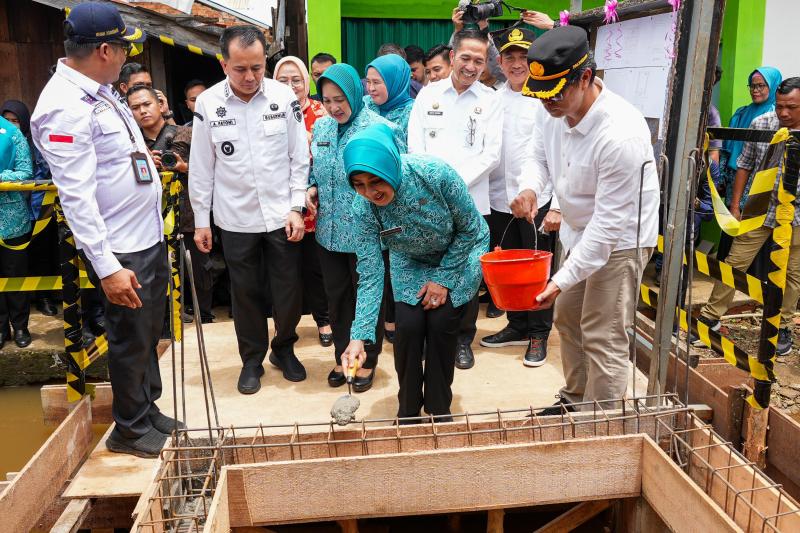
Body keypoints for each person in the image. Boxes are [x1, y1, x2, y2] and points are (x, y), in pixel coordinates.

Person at [31, 1, 181, 457]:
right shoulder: (63, 108)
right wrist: (108, 267)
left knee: (148, 331)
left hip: (145, 235)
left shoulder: (99, 90)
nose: (124, 55)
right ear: (102, 49)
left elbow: (116, 161)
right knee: (129, 337)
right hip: (120, 248)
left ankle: (148, 409)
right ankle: (130, 428)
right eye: (121, 47)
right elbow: (76, 197)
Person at [510, 26, 659, 414]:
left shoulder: (620, 135)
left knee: (603, 333)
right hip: (578, 231)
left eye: (556, 93)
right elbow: (537, 156)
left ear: (586, 77)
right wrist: (530, 188)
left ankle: (601, 422)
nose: (547, 104)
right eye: (540, 96)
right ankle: (576, 399)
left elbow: (608, 227)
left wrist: (558, 280)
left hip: (621, 239)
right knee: (569, 320)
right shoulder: (552, 108)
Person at [340, 124, 489, 422]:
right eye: (359, 184)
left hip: (459, 250)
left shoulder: (433, 173)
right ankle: (408, 410)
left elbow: (471, 229)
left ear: (390, 166)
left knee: (442, 321)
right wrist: (358, 338)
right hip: (411, 259)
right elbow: (370, 274)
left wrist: (443, 279)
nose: (370, 192)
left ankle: (438, 408)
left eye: (375, 180)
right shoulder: (363, 209)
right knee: (406, 328)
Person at [190, 25, 310, 393]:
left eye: (257, 68)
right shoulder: (209, 104)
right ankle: (252, 359)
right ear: (224, 64)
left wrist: (296, 206)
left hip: (281, 215)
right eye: (240, 69)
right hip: (235, 217)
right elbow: (201, 167)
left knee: (288, 291)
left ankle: (284, 347)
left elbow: (299, 157)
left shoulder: (282, 97)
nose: (249, 77)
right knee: (245, 294)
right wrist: (201, 221)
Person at [305, 63, 404, 393]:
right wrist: (310, 187)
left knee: (368, 298)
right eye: (327, 100)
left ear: (354, 93)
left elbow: (397, 179)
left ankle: (367, 359)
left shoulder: (380, 128)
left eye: (340, 99)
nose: (334, 107)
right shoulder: (321, 128)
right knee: (337, 298)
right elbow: (315, 170)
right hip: (329, 232)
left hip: (367, 234)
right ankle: (342, 356)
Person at [408, 28, 502, 370]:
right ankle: (429, 339)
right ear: (452, 58)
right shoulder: (428, 95)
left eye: (479, 60)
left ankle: (463, 339)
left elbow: (491, 154)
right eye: (465, 58)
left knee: (466, 276)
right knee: (428, 270)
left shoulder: (491, 100)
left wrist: (453, 186)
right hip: (429, 204)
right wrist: (434, 186)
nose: (471, 66)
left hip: (471, 205)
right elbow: (415, 147)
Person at [698, 78, 800, 356]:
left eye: (791, 107)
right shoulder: (762, 124)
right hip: (760, 207)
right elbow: (744, 166)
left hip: (797, 216)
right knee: (734, 262)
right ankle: (710, 316)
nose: (784, 113)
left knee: (792, 273)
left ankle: (782, 325)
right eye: (780, 106)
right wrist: (735, 205)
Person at [478, 27, 558, 367]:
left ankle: (538, 334)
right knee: (509, 268)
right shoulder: (493, 98)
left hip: (537, 201)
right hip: (498, 198)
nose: (516, 64)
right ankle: (516, 324)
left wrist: (557, 205)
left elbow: (552, 155)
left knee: (537, 270)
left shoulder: (546, 98)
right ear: (500, 62)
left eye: (523, 57)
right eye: (509, 57)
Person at [126, 85, 213, 324]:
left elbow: (210, 170)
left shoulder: (184, 133)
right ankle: (166, 319)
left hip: (187, 213)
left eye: (147, 104)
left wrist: (183, 167)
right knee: (157, 274)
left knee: (198, 270)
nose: (143, 111)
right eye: (135, 107)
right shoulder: (130, 143)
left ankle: (204, 316)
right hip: (148, 220)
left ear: (160, 105)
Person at [273, 55, 333, 347]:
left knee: (316, 269)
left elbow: (329, 158)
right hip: (278, 205)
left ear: (306, 81)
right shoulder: (268, 113)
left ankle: (324, 321)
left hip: (315, 206)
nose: (290, 85)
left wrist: (315, 186)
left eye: (296, 79)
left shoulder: (323, 113)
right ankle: (284, 328)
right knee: (283, 273)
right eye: (283, 80)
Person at [717, 66, 783, 269]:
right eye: (752, 86)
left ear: (773, 87)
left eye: (761, 86)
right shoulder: (742, 113)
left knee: (754, 228)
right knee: (734, 222)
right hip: (734, 178)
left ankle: (753, 280)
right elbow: (729, 148)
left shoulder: (777, 117)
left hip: (758, 185)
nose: (755, 90)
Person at [1, 99, 59, 318]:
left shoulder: (34, 141)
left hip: (38, 207)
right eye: (6, 120)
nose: (11, 125)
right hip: (15, 212)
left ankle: (45, 298)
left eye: (15, 121)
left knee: (43, 253)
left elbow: (35, 171)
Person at [0, 115, 33, 349]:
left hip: (11, 218)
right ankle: (1, 328)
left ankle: (20, 326)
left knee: (15, 274)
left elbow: (25, 171)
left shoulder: (11, 132)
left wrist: (1, 177)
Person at [364, 54, 414, 133]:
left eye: (376, 82)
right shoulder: (364, 104)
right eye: (368, 81)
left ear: (395, 83)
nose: (371, 88)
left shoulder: (414, 113)